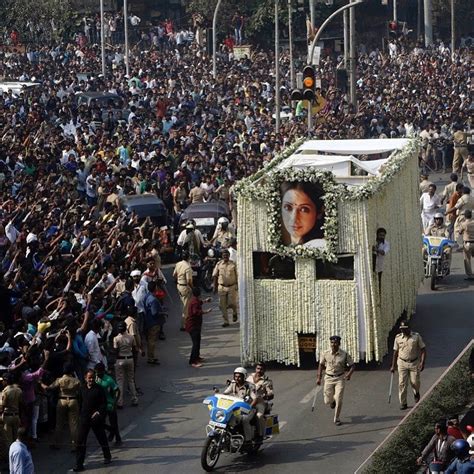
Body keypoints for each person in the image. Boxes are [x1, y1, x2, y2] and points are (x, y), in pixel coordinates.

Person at [74, 369, 111, 472]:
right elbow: (80, 402)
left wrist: (99, 412)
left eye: (92, 377)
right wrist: (80, 415)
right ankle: (79, 464)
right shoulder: (82, 389)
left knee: (101, 438)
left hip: (95, 419)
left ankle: (107, 456)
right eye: (89, 377)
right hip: (84, 418)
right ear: (85, 378)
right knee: (80, 441)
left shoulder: (99, 389)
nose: (91, 379)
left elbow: (104, 404)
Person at [316, 335, 355, 426]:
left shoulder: (344, 354)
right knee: (327, 401)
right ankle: (332, 401)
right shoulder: (325, 353)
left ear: (339, 344)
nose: (333, 345)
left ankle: (336, 418)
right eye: (332, 343)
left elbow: (352, 365)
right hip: (328, 378)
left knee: (339, 399)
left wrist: (349, 374)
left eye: (335, 343)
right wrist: (319, 378)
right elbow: (321, 365)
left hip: (339, 378)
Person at [41, 363, 81, 450]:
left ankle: (56, 443)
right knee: (74, 424)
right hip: (73, 400)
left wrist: (41, 383)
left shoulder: (59, 380)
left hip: (61, 400)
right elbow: (80, 391)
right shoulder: (76, 381)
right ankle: (75, 445)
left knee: (59, 423)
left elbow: (49, 388)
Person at [390, 320, 426, 410]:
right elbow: (395, 352)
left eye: (405, 329)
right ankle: (403, 403)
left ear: (409, 328)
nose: (403, 331)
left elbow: (423, 350)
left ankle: (416, 392)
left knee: (415, 382)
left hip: (414, 363)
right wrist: (393, 365)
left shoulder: (416, 337)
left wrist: (422, 362)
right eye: (401, 329)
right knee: (402, 383)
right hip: (402, 363)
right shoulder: (398, 338)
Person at [280, 181, 325, 248]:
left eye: (304, 209)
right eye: (288, 207)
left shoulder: (319, 246)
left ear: (319, 212)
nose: (294, 217)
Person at [222, 367, 257, 442]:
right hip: (235, 408)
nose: (237, 378)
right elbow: (225, 393)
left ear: (244, 377)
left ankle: (248, 440)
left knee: (244, 419)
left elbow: (255, 399)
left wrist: (249, 407)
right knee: (225, 417)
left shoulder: (250, 386)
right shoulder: (233, 384)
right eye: (236, 376)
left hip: (247, 408)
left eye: (239, 377)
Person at [95, 363, 121, 446]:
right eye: (96, 372)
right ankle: (111, 430)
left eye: (99, 372)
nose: (97, 374)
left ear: (103, 371)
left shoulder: (108, 379)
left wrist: (115, 402)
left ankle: (117, 437)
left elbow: (117, 390)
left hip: (109, 403)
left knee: (113, 422)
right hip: (99, 404)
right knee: (99, 422)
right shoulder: (94, 379)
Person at [113, 321, 138, 407]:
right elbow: (134, 349)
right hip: (130, 358)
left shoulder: (116, 339)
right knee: (131, 380)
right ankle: (134, 399)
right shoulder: (131, 337)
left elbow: (116, 351)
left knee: (120, 381)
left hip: (120, 359)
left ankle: (120, 402)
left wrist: (115, 361)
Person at [246, 362, 274, 441]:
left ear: (264, 370)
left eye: (261, 369)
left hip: (259, 403)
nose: (259, 370)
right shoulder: (249, 377)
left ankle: (262, 434)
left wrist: (266, 395)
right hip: (247, 400)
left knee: (259, 416)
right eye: (258, 368)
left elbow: (271, 393)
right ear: (255, 369)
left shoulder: (267, 381)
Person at [186, 287, 211, 368]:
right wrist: (206, 312)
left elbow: (199, 302)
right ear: (199, 294)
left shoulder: (194, 300)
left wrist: (205, 301)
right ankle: (193, 361)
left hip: (196, 325)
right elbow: (196, 312)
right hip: (193, 326)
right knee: (195, 344)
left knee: (198, 341)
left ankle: (197, 357)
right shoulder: (194, 302)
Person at [212, 248, 238, 327]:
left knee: (232, 303)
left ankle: (234, 312)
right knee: (222, 305)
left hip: (232, 287)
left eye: (227, 255)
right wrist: (214, 287)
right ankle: (226, 321)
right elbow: (215, 275)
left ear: (229, 256)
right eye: (224, 255)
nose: (225, 256)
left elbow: (237, 275)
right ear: (222, 256)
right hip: (222, 287)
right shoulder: (219, 264)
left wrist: (237, 285)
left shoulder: (233, 264)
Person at [143, 281, 165, 364]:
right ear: (155, 288)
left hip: (148, 320)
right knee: (152, 340)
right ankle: (151, 358)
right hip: (153, 322)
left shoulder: (147, 296)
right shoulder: (153, 299)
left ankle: (151, 356)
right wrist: (163, 313)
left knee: (150, 340)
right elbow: (154, 313)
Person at [173, 251, 193, 331]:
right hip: (185, 287)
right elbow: (189, 281)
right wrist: (193, 288)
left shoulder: (178, 264)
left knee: (183, 304)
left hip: (179, 285)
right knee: (186, 307)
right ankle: (184, 325)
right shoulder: (188, 267)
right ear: (188, 258)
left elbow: (174, 275)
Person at [0, 373, 22, 444]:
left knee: (8, 440)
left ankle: (10, 454)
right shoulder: (19, 390)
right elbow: (22, 404)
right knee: (17, 439)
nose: (2, 382)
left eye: (3, 380)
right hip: (17, 416)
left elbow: (2, 406)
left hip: (7, 417)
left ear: (6, 381)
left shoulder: (5, 391)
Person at [457, 209, 474, 280]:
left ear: (465, 216)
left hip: (468, 243)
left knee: (467, 259)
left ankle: (470, 275)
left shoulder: (464, 224)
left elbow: (460, 232)